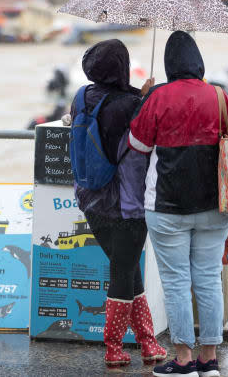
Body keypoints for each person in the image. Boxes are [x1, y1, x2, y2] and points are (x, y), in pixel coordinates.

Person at [128, 31, 228, 377]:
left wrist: (145, 99)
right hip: (214, 206)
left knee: (177, 281)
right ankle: (209, 360)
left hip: (166, 208)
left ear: (169, 64)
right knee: (209, 279)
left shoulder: (158, 97)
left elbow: (137, 144)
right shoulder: (218, 95)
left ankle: (183, 360)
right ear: (198, 62)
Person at [70, 39, 166, 367]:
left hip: (90, 199)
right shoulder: (130, 103)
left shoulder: (81, 96)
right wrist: (147, 96)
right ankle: (112, 348)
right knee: (122, 270)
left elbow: (109, 114)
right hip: (126, 204)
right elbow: (137, 125)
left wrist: (138, 96)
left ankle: (148, 342)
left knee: (126, 269)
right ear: (121, 67)